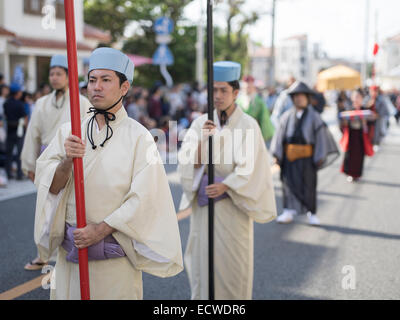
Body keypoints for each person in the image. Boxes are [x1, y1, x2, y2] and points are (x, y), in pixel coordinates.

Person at [33, 47, 183, 299]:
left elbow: (145, 199)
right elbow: (50, 186)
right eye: (92, 80)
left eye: (105, 80)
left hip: (113, 257)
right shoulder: (70, 131)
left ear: (124, 88)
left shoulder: (140, 138)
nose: (96, 87)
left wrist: (100, 229)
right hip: (71, 256)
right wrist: (67, 161)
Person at [177, 61, 277, 299]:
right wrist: (204, 139)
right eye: (214, 90)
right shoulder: (201, 123)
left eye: (224, 90)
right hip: (204, 208)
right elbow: (188, 163)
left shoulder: (248, 125)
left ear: (235, 92)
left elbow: (252, 168)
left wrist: (226, 185)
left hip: (232, 207)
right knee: (203, 267)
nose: (218, 96)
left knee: (232, 269)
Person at [21, 54, 92, 271]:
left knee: (70, 209)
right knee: (45, 208)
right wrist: (30, 165)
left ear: (69, 76)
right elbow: (32, 133)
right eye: (52, 73)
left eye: (59, 73)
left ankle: (69, 250)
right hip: (48, 162)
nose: (54, 77)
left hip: (73, 160)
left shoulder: (82, 102)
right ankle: (42, 254)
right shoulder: (41, 103)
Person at [270, 81, 339, 226]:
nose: (299, 99)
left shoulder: (314, 117)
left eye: (302, 96)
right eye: (296, 96)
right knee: (287, 184)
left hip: (307, 157)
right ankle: (288, 211)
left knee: (309, 185)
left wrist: (319, 156)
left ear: (308, 98)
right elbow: (279, 136)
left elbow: (321, 137)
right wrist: (277, 155)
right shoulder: (286, 116)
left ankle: (311, 213)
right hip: (289, 156)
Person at [340, 89, 375, 182]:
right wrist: (345, 123)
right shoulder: (348, 110)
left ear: (362, 98)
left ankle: (357, 174)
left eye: (358, 97)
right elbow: (342, 125)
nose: (356, 99)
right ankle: (350, 173)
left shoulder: (365, 110)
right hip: (351, 135)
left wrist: (364, 123)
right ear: (351, 98)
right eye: (355, 96)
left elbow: (371, 124)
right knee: (349, 155)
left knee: (359, 156)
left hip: (360, 136)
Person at [239, 75, 275, 146]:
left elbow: (265, 120)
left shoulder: (259, 102)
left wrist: (263, 138)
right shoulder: (238, 102)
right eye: (246, 87)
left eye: (250, 87)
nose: (247, 89)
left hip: (255, 135)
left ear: (254, 88)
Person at [3, 83, 27, 180]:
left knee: (8, 153)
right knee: (19, 153)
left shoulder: (6, 103)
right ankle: (19, 174)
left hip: (9, 130)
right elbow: (25, 117)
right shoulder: (20, 104)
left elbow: (4, 116)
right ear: (17, 93)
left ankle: (8, 173)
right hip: (19, 130)